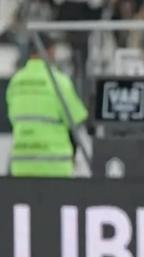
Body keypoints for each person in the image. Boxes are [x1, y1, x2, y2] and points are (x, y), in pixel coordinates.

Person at [6, 35, 87, 177]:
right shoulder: (58, 80)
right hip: (55, 165)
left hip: (22, 164)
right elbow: (76, 119)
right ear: (50, 51)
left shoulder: (15, 82)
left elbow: (13, 118)